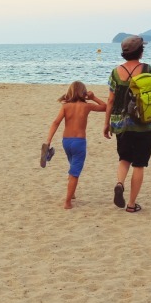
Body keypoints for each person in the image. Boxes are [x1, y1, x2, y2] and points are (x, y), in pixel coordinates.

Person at [103, 35, 151, 213]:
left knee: (124, 158)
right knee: (139, 164)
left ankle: (119, 183)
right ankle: (132, 205)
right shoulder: (149, 69)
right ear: (140, 52)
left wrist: (106, 123)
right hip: (143, 123)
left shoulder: (115, 72)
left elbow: (110, 100)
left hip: (120, 123)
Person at [44, 81, 106, 209]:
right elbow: (105, 107)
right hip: (79, 142)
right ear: (84, 93)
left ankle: (71, 194)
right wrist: (93, 97)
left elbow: (56, 122)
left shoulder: (66, 106)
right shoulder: (86, 106)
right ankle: (67, 202)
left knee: (73, 166)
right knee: (75, 172)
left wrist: (48, 140)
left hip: (66, 141)